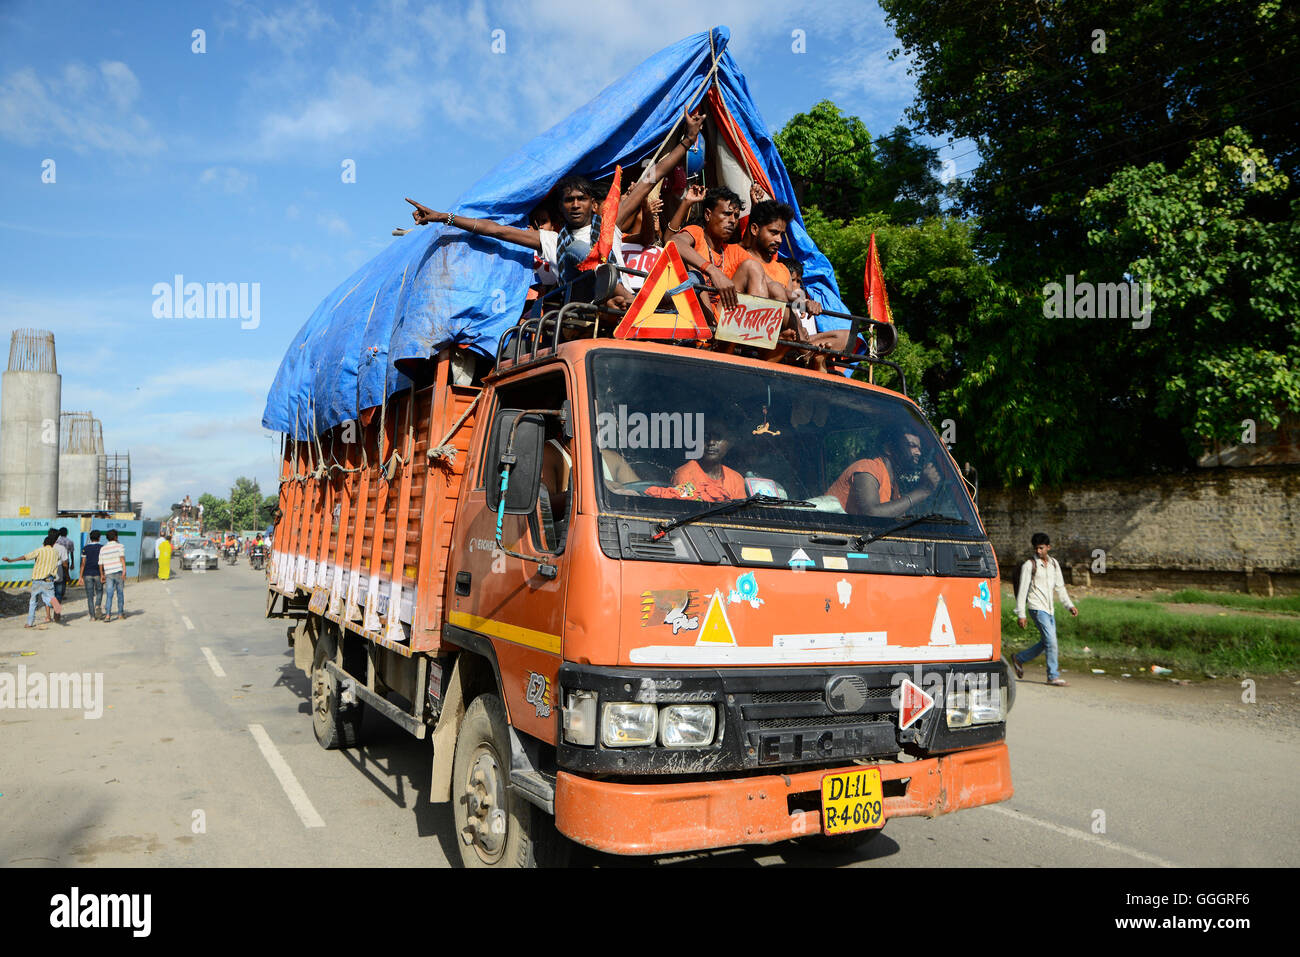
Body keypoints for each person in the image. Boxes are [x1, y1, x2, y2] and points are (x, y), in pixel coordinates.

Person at [408, 108, 707, 297]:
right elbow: (495, 231)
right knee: (579, 250)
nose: (575, 204)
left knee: (692, 279)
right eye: (568, 200)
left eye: (581, 199)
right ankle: (627, 299)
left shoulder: (610, 226)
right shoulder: (551, 241)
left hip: (626, 304)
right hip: (587, 304)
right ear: (562, 207)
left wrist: (685, 141)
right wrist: (443, 217)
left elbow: (651, 177)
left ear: (593, 204)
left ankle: (635, 301)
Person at [1011, 532, 1079, 687]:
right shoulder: (1030, 565)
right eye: (1036, 548)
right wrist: (1021, 614)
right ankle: (1052, 676)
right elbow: (1022, 590)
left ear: (1048, 547)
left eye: (1041, 548)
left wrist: (1069, 605)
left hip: (1049, 609)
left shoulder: (1054, 564)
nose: (1038, 551)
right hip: (1036, 608)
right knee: (1051, 641)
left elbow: (1060, 587)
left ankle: (1019, 659)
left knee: (1047, 642)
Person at [827, 428, 942, 517]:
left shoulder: (893, 486)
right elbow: (872, 514)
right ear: (889, 449)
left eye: (919, 448)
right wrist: (923, 491)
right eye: (912, 446)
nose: (918, 453)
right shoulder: (867, 469)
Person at [645, 419, 746, 502]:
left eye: (718, 438)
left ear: (730, 443)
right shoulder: (685, 474)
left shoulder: (736, 479)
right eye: (706, 437)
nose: (711, 442)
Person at [3, 532, 65, 628]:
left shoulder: (39, 550)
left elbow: (25, 557)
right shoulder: (56, 552)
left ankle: (29, 623)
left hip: (37, 580)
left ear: (44, 543)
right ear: (53, 544)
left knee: (33, 602)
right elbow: (57, 561)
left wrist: (11, 560)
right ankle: (57, 608)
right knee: (50, 598)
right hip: (48, 580)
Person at [100, 529, 127, 622]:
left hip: (108, 573)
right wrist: (124, 570)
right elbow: (122, 558)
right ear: (116, 537)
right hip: (118, 571)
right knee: (120, 593)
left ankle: (108, 615)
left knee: (109, 594)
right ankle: (120, 614)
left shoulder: (103, 548)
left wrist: (102, 574)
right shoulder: (120, 546)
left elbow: (101, 563)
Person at [81, 529, 104, 619]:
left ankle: (92, 617)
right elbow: (103, 562)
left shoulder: (85, 548)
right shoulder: (102, 547)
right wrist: (103, 574)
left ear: (90, 538)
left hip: (87, 573)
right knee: (99, 591)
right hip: (98, 573)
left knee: (89, 596)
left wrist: (80, 576)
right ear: (99, 537)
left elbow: (83, 563)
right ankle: (97, 605)